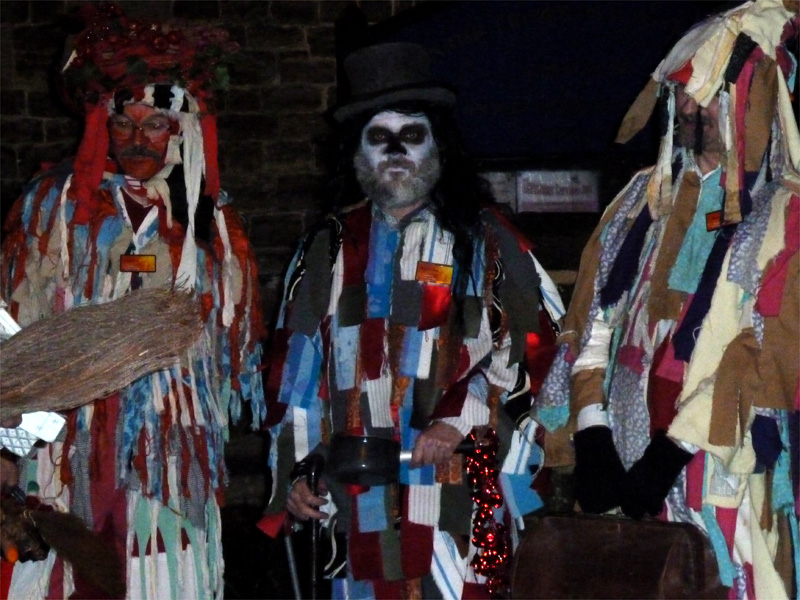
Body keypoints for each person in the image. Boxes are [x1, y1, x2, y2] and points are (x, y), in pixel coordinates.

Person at [260, 42, 565, 599]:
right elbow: (295, 379)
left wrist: (463, 417)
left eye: (412, 134)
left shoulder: (488, 242)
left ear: (439, 148)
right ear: (357, 152)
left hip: (463, 495)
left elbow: (539, 351)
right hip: (356, 499)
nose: (396, 151)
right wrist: (298, 476)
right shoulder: (326, 250)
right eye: (380, 137)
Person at [0, 3, 265, 598]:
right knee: (59, 572)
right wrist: (8, 442)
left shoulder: (213, 229)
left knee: (163, 575)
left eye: (156, 124)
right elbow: (9, 326)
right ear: (101, 125)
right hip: (63, 440)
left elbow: (231, 350)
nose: (138, 139)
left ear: (182, 130)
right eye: (124, 123)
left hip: (172, 449)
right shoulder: (55, 209)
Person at [538, 0, 799, 597]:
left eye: (704, 94)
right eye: (679, 94)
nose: (686, 108)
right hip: (620, 442)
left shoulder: (783, 217)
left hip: (716, 467)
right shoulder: (638, 200)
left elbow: (764, 356)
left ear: (752, 101)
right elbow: (594, 319)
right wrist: (590, 428)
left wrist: (672, 454)